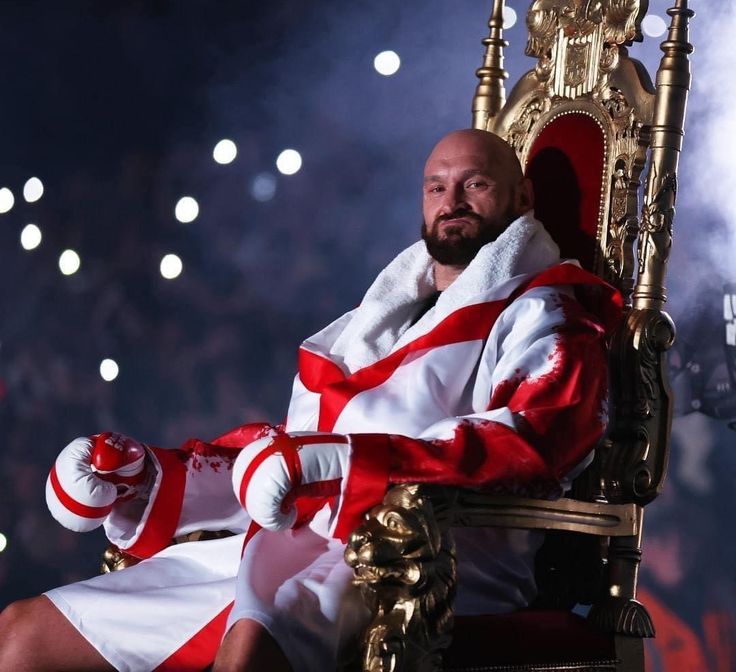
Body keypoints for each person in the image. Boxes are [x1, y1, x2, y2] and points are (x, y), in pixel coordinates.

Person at [0, 129, 621, 671]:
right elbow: (292, 447)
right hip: (297, 540)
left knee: (249, 652)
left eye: (475, 183)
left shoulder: (547, 310)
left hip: (422, 555)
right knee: (20, 635)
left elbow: (533, 441)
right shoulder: (381, 315)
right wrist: (151, 474)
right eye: (435, 187)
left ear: (522, 199)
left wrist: (341, 463)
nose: (450, 202)